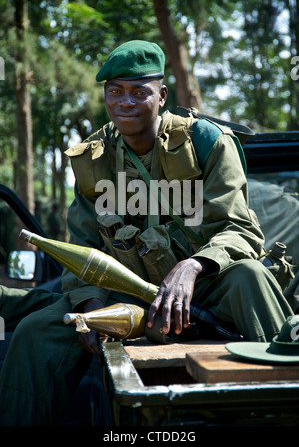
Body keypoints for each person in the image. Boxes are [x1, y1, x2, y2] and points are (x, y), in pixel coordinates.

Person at [0, 40, 294, 425]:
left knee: (251, 276)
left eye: (139, 92)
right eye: (115, 92)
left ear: (162, 95)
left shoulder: (207, 143)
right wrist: (91, 307)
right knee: (35, 331)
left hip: (207, 288)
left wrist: (192, 266)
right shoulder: (95, 159)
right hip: (123, 289)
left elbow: (239, 228)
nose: (125, 102)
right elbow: (84, 243)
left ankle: (284, 405)